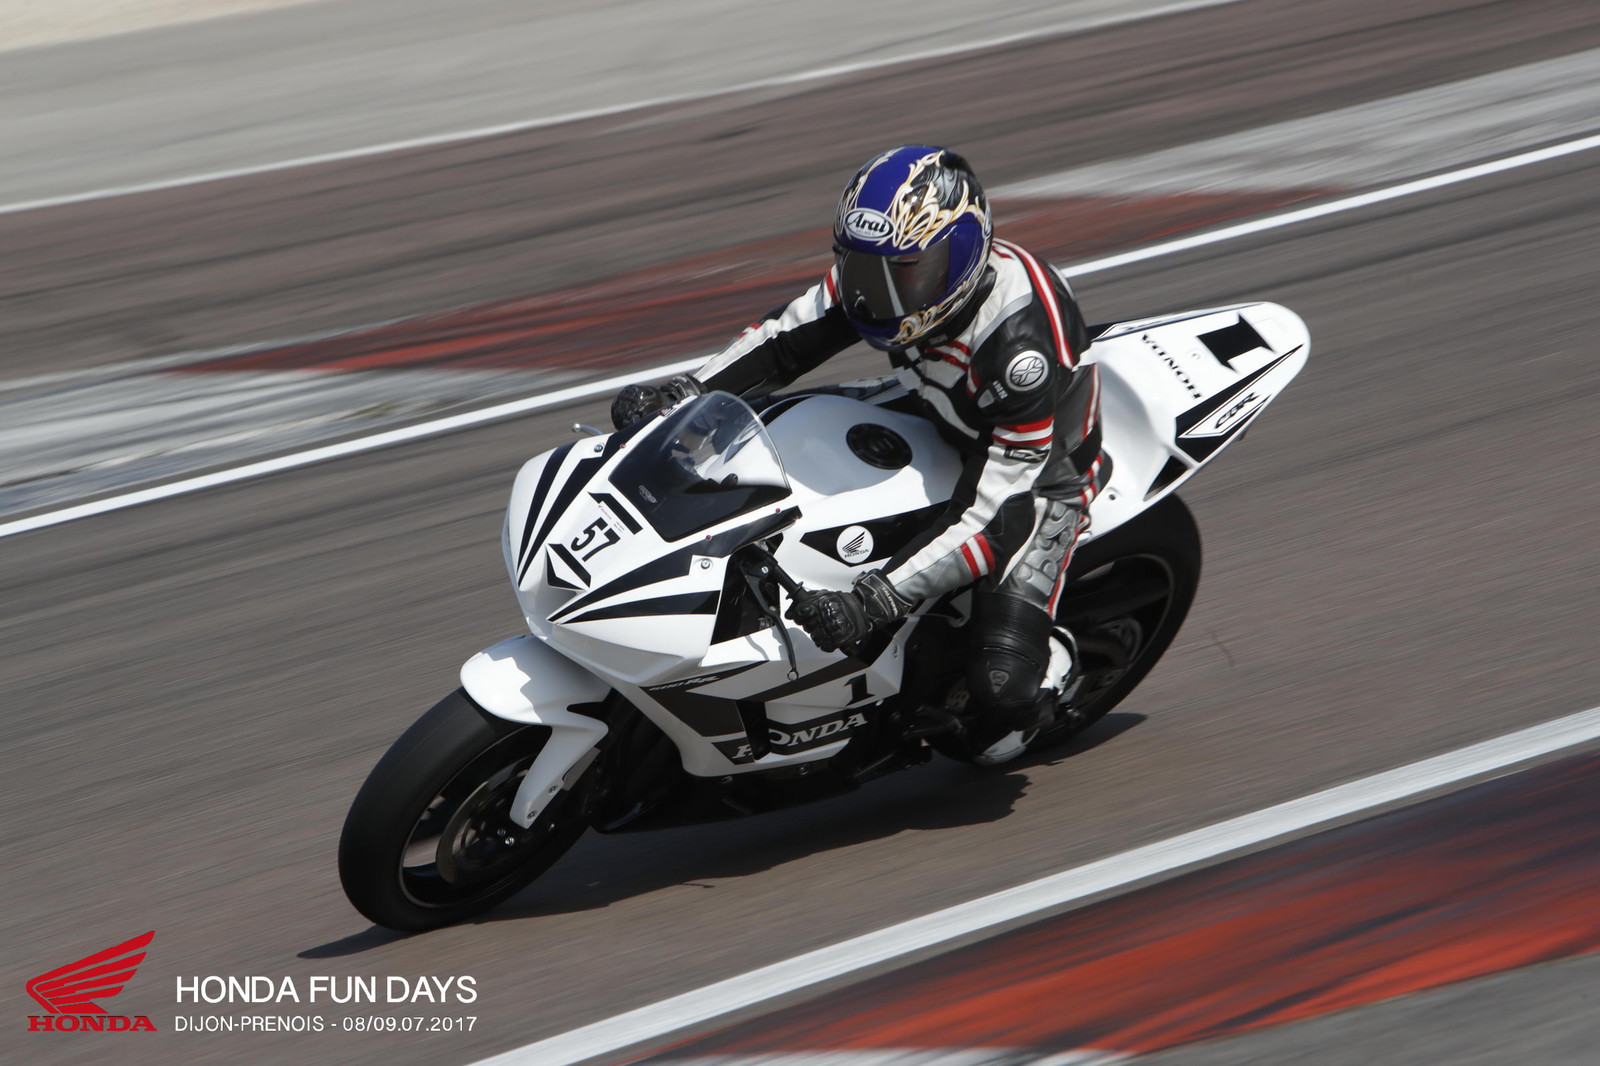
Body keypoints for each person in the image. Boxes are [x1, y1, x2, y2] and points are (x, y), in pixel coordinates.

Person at [610, 145, 1105, 762]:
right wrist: (683, 396)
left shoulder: (1016, 349)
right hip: (929, 405)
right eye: (864, 270)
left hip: (1036, 475)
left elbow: (999, 511)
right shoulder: (880, 278)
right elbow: (783, 341)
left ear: (964, 252)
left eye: (906, 273)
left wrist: (873, 600)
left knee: (1002, 691)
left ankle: (1053, 668)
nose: (880, 296)